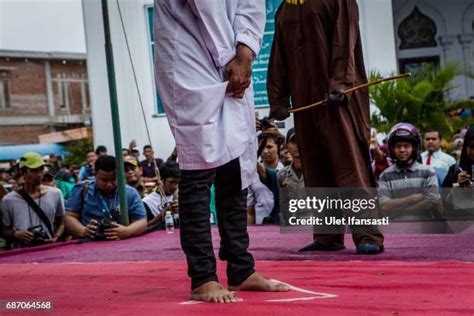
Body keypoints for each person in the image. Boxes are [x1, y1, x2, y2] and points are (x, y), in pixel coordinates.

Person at [154, 0, 288, 303]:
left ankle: (241, 268)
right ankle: (202, 276)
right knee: (199, 166)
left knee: (237, 163)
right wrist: (234, 60)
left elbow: (252, 5)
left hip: (234, 60)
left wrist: (245, 54)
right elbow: (206, 7)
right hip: (188, 52)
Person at [267, 0, 384, 254]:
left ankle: (367, 235)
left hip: (338, 101)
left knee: (348, 165)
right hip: (305, 102)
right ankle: (327, 237)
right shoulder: (285, 7)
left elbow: (345, 42)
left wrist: (340, 85)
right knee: (315, 168)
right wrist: (277, 99)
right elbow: (278, 56)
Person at [64, 155, 147, 241]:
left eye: (113, 179)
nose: (109, 184)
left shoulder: (130, 193)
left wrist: (127, 231)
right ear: (95, 175)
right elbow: (69, 217)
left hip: (120, 244)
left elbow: (141, 221)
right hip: (89, 244)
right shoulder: (82, 189)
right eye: (104, 180)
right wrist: (84, 231)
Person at [378, 123, 442, 221]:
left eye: (406, 146)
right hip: (395, 230)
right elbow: (384, 205)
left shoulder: (428, 172)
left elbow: (431, 201)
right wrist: (412, 199)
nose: (402, 150)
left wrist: (398, 209)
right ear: (392, 149)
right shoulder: (385, 175)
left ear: (414, 148)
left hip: (425, 229)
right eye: (398, 146)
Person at [2, 152, 65, 249]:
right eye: (34, 170)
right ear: (23, 173)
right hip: (21, 253)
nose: (39, 174)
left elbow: (62, 223)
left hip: (49, 249)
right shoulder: (9, 200)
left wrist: (56, 237)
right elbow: (4, 229)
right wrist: (16, 234)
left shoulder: (56, 194)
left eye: (41, 169)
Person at [277, 128, 305, 225]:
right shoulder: (282, 175)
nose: (297, 146)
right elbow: (284, 203)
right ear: (287, 146)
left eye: (301, 141)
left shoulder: (320, 172)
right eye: (293, 142)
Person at [143, 161, 180, 229]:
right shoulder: (148, 202)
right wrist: (161, 215)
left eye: (178, 182)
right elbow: (143, 227)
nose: (175, 186)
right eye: (171, 182)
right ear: (162, 180)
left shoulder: (184, 196)